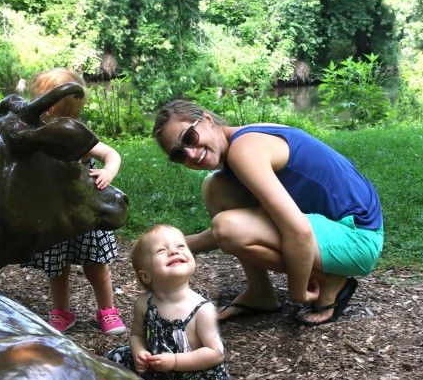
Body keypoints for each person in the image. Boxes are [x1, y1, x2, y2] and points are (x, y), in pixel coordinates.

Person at [152, 100, 383, 326]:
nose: (190, 154)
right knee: (215, 187)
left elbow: (298, 231)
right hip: (335, 224)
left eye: (188, 138)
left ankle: (331, 280)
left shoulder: (244, 151)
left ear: (207, 119)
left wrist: (298, 292)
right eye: (178, 155)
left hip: (358, 236)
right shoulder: (242, 140)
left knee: (227, 227)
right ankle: (259, 291)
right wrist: (173, 247)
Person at [22, 67, 127, 335]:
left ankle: (107, 310)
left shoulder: (75, 133)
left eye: (44, 100)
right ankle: (61, 312)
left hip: (84, 210)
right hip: (56, 212)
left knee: (96, 266)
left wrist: (107, 172)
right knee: (58, 267)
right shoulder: (36, 132)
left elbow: (110, 154)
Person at [105, 224, 230, 380]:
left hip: (193, 379)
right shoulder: (144, 303)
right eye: (161, 250)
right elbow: (136, 335)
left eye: (181, 246)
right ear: (146, 276)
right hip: (155, 366)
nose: (174, 251)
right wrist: (139, 353)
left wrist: (174, 361)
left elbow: (215, 354)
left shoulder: (202, 309)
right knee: (111, 360)